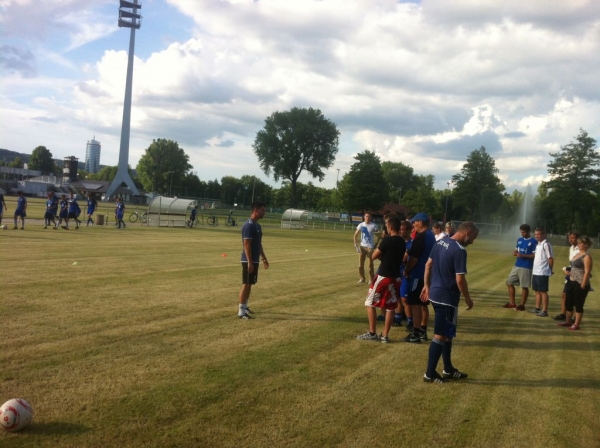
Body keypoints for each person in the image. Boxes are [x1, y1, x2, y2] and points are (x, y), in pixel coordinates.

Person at [420, 221, 479, 383]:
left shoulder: (440, 242)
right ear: (467, 233)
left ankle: (448, 369)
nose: (473, 241)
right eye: (473, 237)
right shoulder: (459, 250)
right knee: (440, 334)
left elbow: (428, 265)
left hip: (435, 294)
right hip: (447, 298)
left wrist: (426, 286)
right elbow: (460, 279)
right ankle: (429, 373)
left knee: (447, 334)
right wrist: (467, 298)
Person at [356, 216, 406, 343]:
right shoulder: (402, 242)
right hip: (396, 277)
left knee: (369, 302)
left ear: (390, 227)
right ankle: (385, 335)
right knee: (390, 306)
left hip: (384, 275)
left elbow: (373, 256)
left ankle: (372, 333)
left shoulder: (386, 240)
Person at [402, 212, 436, 343]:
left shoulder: (421, 237)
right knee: (423, 304)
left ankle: (415, 334)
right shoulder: (431, 236)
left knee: (416, 304)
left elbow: (414, 258)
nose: (413, 224)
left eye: (415, 222)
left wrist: (407, 269)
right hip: (427, 275)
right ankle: (422, 331)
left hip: (418, 275)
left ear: (420, 223)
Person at [238, 201, 269, 319]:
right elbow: (246, 244)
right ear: (256, 210)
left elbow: (258, 244)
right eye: (262, 210)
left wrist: (264, 258)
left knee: (250, 284)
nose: (264, 213)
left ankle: (245, 306)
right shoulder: (249, 225)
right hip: (248, 260)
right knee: (246, 284)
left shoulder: (257, 226)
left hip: (254, 260)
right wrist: (250, 262)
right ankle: (241, 311)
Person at [557, 236, 593, 331]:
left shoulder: (586, 256)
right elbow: (574, 267)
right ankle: (568, 321)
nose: (578, 244)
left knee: (578, 304)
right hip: (571, 282)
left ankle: (576, 324)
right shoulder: (576, 254)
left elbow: (587, 272)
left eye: (580, 243)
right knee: (568, 303)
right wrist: (568, 272)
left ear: (586, 245)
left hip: (580, 283)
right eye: (578, 243)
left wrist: (583, 285)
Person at [504, 224, 537, 310]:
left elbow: (534, 255)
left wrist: (522, 255)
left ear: (528, 231)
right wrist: (515, 252)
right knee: (509, 282)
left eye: (524, 232)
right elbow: (517, 249)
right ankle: (512, 303)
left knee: (524, 286)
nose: (522, 234)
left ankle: (522, 305)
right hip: (517, 265)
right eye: (521, 232)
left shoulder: (533, 241)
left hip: (526, 266)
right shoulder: (519, 240)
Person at [552, 231, 580, 320]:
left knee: (576, 297)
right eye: (569, 238)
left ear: (578, 239)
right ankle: (563, 314)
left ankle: (575, 317)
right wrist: (567, 269)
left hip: (578, 276)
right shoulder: (571, 248)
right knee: (564, 294)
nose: (570, 240)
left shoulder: (581, 248)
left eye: (572, 238)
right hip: (570, 274)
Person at [393, 220, 413, 328]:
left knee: (405, 298)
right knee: (397, 298)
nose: (400, 231)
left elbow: (409, 259)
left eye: (402, 229)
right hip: (397, 273)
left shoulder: (412, 244)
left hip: (406, 274)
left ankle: (410, 321)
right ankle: (398, 318)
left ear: (409, 230)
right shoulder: (398, 242)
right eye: (399, 229)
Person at [530, 227, 554, 316]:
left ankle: (544, 310)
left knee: (543, 291)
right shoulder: (538, 244)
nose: (537, 236)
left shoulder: (546, 244)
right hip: (536, 271)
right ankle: (537, 308)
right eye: (536, 234)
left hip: (543, 271)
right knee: (537, 291)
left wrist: (550, 270)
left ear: (544, 234)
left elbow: (550, 258)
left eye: (539, 234)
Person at [353, 212, 379, 284]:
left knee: (370, 264)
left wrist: (376, 243)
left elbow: (379, 235)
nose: (368, 218)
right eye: (366, 216)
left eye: (369, 216)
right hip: (362, 246)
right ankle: (362, 278)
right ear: (364, 217)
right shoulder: (361, 225)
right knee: (360, 264)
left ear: (371, 218)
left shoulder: (374, 225)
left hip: (370, 247)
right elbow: (355, 234)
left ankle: (371, 279)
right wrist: (356, 245)